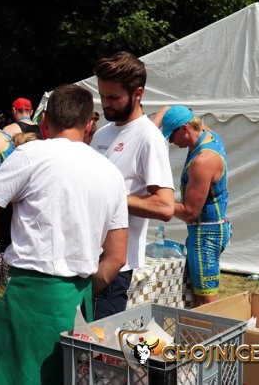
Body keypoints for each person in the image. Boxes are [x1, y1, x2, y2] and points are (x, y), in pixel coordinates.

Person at [0, 84, 128, 385]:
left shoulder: (31, 154)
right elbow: (116, 257)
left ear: (44, 122)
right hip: (78, 299)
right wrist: (77, 290)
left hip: (27, 296)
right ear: (89, 126)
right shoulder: (112, 173)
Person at [90, 51, 175, 318]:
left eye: (114, 97)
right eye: (102, 96)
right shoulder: (102, 133)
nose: (106, 104)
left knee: (99, 340)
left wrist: (112, 198)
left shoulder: (149, 137)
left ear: (138, 93)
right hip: (86, 257)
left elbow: (165, 206)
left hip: (115, 267)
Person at [156, 104, 230, 306]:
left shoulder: (202, 161)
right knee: (200, 294)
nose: (171, 141)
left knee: (206, 299)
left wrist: (159, 200)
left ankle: (216, 328)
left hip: (205, 233)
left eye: (171, 136)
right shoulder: (209, 135)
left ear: (185, 129)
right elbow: (184, 115)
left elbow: (190, 213)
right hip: (212, 227)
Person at [0, 131, 39, 299]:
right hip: (30, 262)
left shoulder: (5, 186)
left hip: (4, 255)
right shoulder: (40, 188)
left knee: (1, 304)